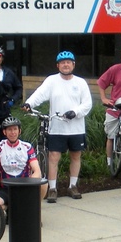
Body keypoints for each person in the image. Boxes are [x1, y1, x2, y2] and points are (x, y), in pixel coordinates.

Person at [23, 50, 93, 202]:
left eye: (68, 62)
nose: (66, 65)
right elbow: (40, 94)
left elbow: (87, 104)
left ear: (73, 65)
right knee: (53, 157)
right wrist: (29, 103)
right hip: (57, 127)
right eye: (62, 62)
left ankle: (72, 186)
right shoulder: (51, 80)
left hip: (76, 128)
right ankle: (52, 188)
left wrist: (75, 112)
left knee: (76, 156)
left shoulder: (80, 82)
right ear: (58, 65)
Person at [0, 116, 47, 214]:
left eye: (15, 129)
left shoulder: (27, 147)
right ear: (4, 132)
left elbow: (37, 171)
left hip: (24, 186)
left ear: (19, 131)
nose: (13, 132)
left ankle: (33, 210)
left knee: (43, 183)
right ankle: (10, 207)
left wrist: (29, 184)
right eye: (9, 130)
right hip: (7, 189)